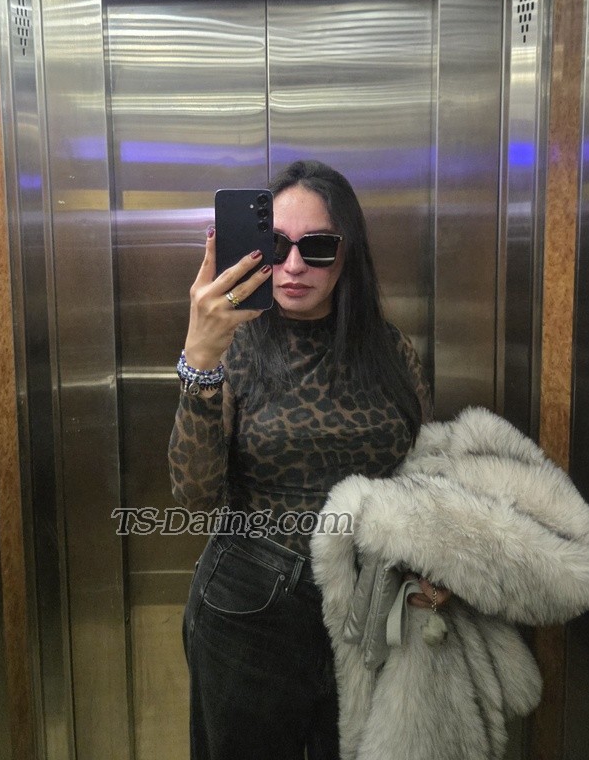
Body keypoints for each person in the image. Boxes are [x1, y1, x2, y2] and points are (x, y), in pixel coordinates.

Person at [168, 159, 447, 760]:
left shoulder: (390, 349)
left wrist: (436, 560)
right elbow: (194, 497)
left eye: (317, 247)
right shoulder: (235, 345)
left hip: (370, 605)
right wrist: (200, 363)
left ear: (348, 255)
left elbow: (427, 468)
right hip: (250, 608)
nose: (293, 266)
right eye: (275, 246)